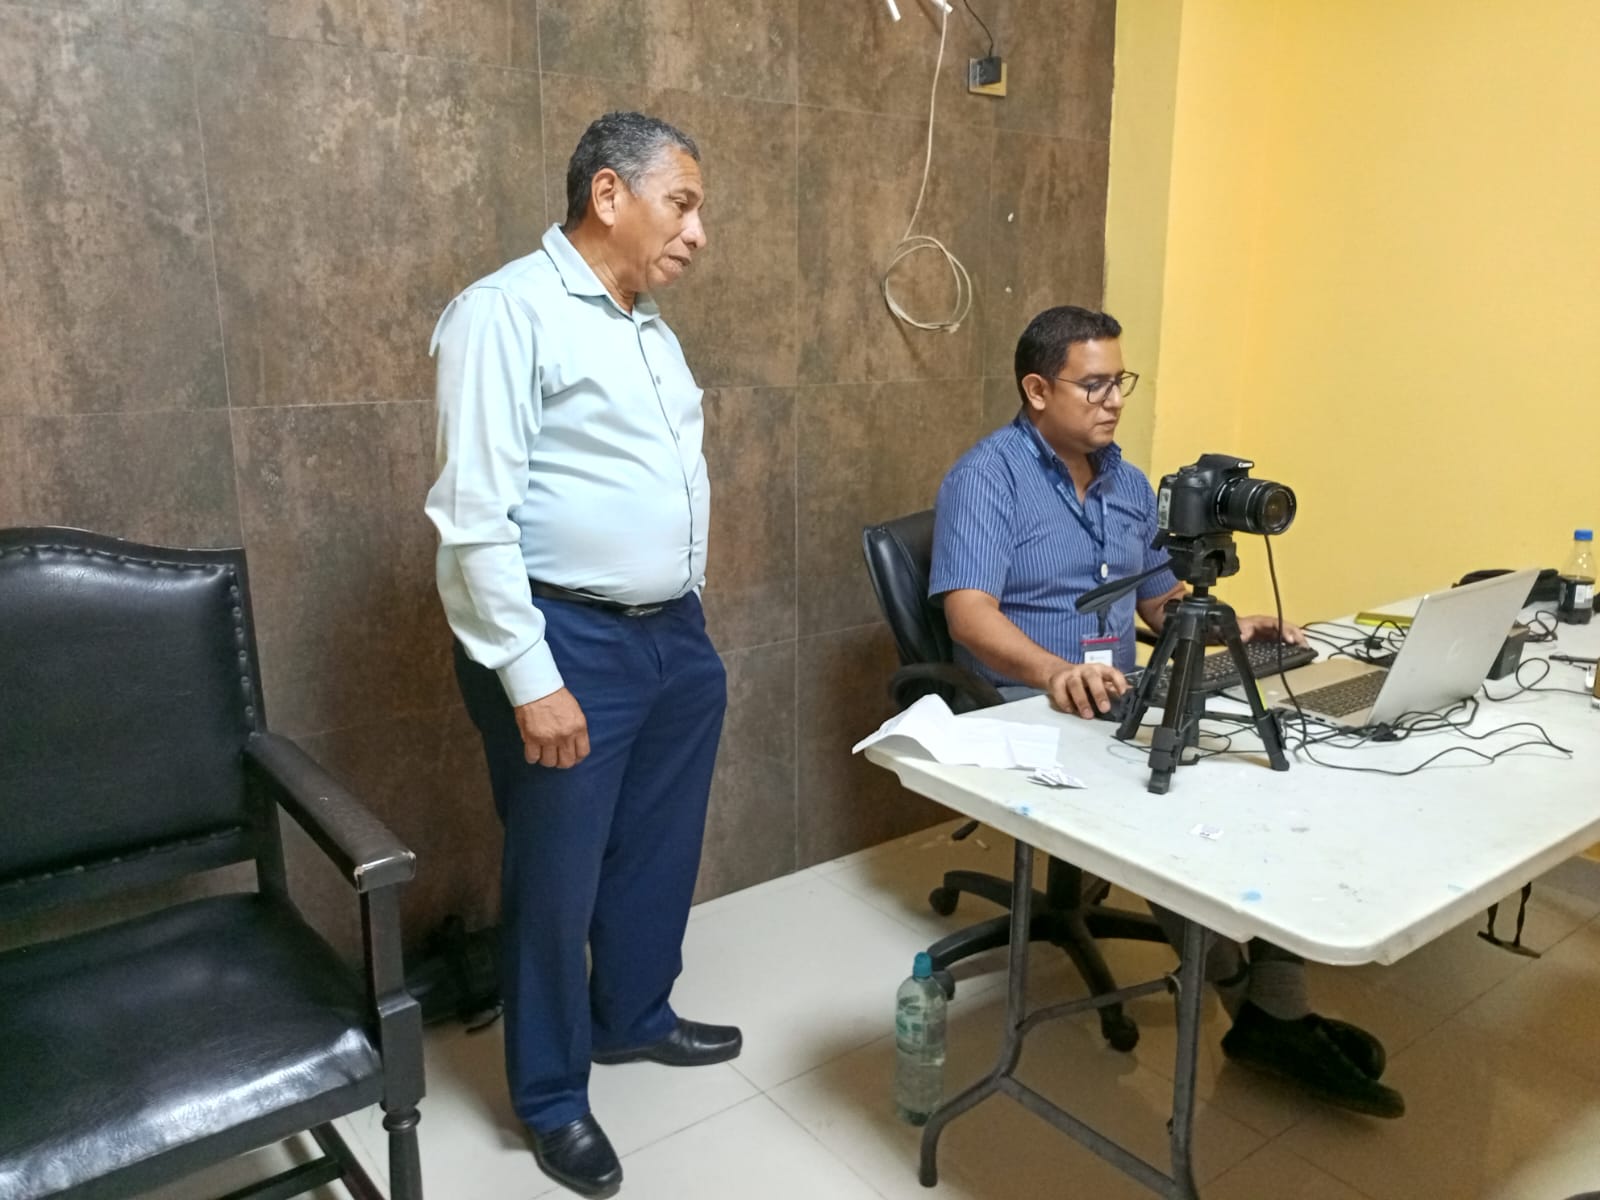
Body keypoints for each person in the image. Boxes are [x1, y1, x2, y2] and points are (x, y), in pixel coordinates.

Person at [928, 305, 1405, 1120]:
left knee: (1263, 779)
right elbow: (969, 616)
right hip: (1029, 701)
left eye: (1121, 381)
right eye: (1094, 384)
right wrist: (1054, 673)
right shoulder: (986, 478)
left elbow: (1155, 598)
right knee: (1176, 814)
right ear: (1037, 390)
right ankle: (1262, 1011)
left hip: (1123, 696)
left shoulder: (1127, 481)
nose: (1114, 400)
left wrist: (1225, 621)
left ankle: (1271, 1010)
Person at [425, 111, 738, 1199]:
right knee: (555, 880)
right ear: (609, 194)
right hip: (563, 637)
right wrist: (531, 676)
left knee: (656, 848)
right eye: (682, 204)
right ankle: (553, 1096)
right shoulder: (504, 312)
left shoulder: (648, 328)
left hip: (671, 636)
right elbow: (472, 520)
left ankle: (632, 1015)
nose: (697, 232)